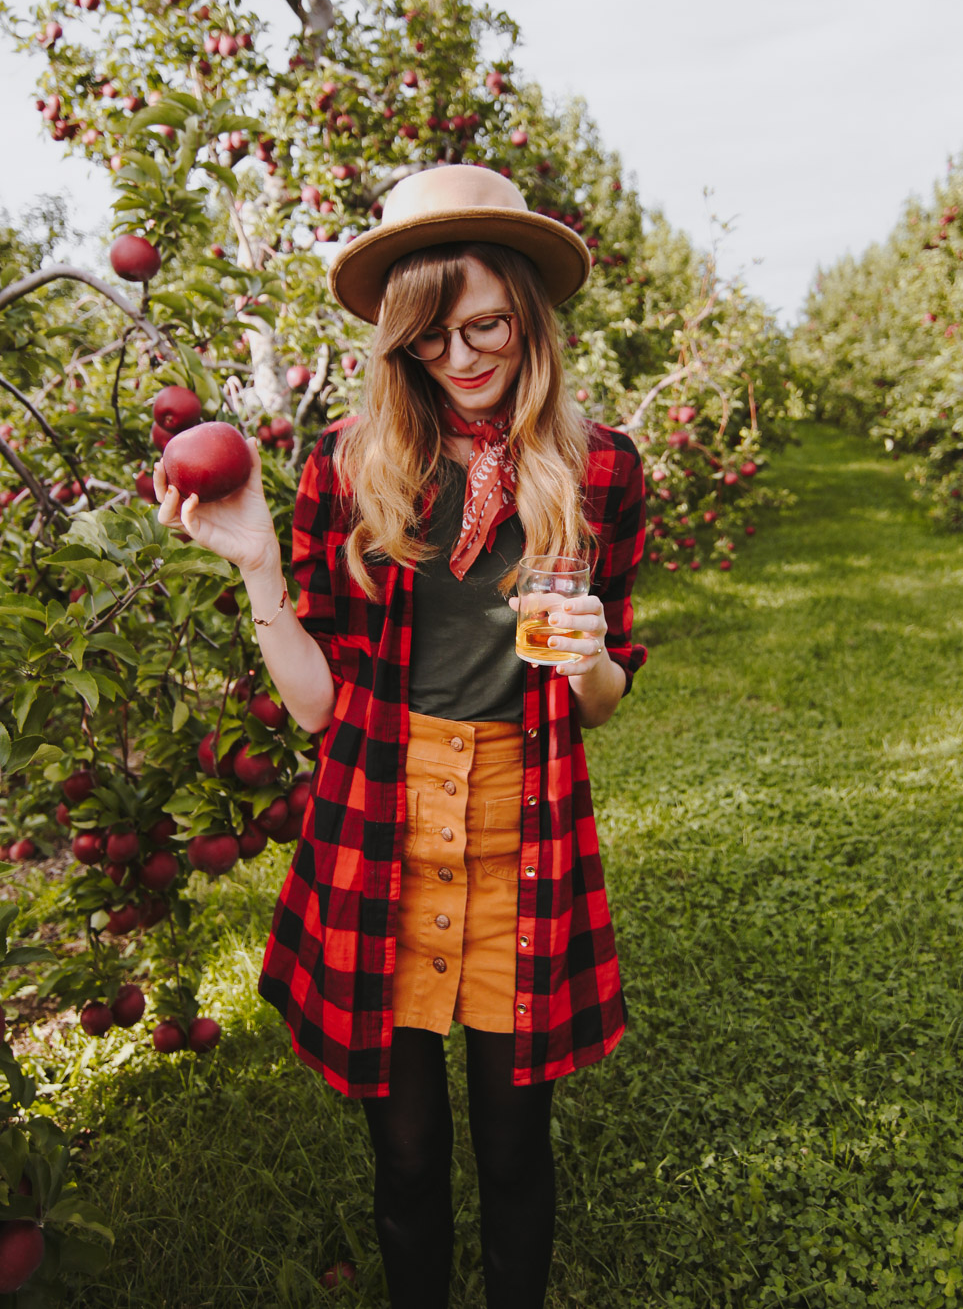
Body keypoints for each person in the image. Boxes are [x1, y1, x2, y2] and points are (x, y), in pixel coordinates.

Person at [153, 163, 647, 1308]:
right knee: (410, 1152)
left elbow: (608, 691)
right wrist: (263, 567)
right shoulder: (349, 464)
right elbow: (323, 707)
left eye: (486, 326)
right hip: (380, 813)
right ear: (398, 344)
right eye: (430, 341)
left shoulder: (601, 467)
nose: (465, 360)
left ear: (528, 309)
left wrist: (589, 664)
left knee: (517, 1148)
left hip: (524, 822)